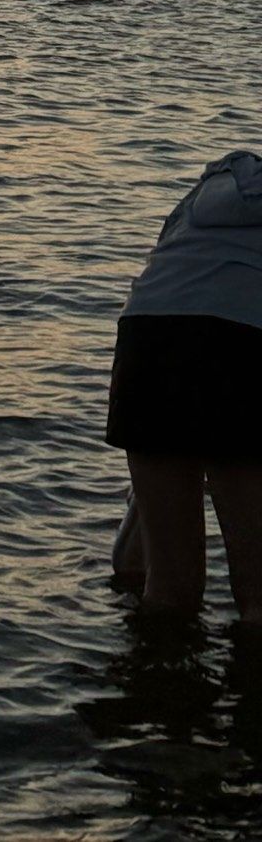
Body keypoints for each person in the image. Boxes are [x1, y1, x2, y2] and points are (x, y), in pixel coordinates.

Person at [107, 153, 262, 620]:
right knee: (259, 592)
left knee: (169, 587)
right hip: (242, 341)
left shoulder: (216, 185)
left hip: (149, 335)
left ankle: (152, 684)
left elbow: (170, 277)